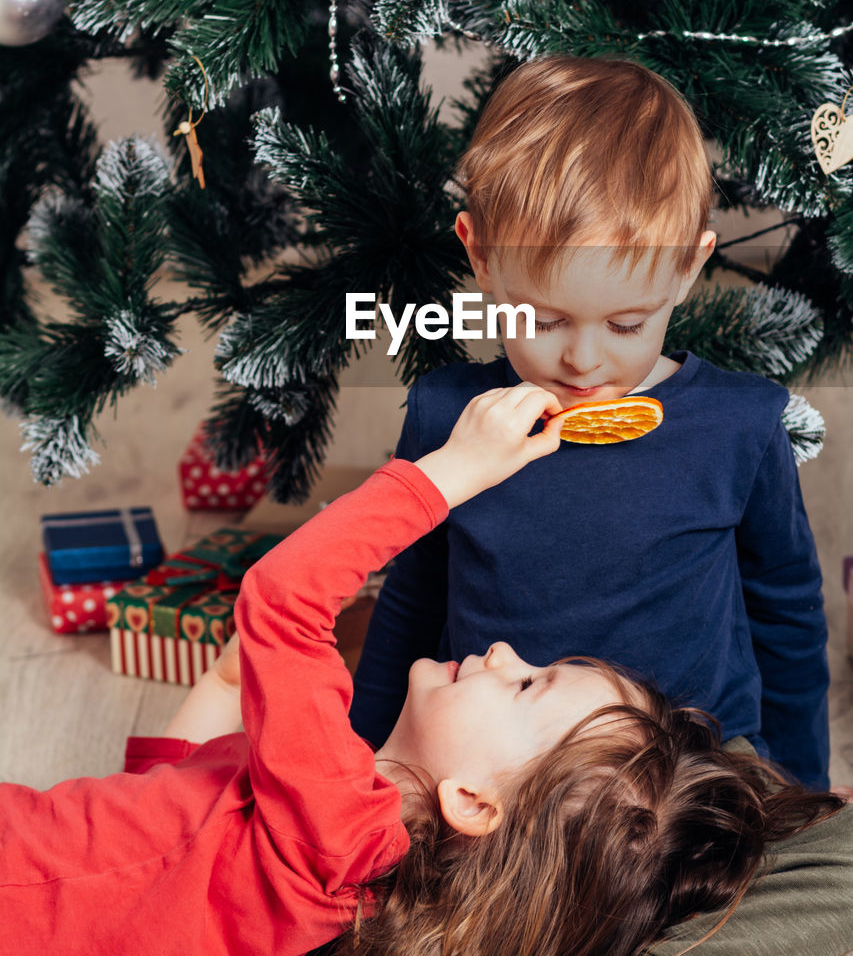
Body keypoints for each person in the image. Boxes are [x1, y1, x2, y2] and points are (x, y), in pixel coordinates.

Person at [1, 384, 845, 956]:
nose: (508, 650)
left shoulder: (343, 823)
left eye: (525, 684)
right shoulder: (339, 866)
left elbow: (279, 597)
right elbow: (165, 847)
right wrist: (225, 690)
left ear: (472, 801)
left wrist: (458, 470)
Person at [350, 54, 832, 792]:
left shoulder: (739, 423)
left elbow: (786, 613)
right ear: (479, 254)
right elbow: (412, 597)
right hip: (506, 780)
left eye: (626, 323)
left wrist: (796, 783)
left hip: (695, 773)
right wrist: (360, 764)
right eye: (543, 319)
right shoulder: (448, 413)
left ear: (686, 268)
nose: (581, 358)